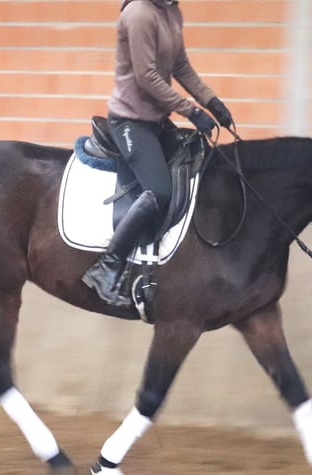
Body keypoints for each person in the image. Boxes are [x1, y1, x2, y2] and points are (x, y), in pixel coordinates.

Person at [81, 0, 234, 308]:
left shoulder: (171, 11)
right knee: (158, 190)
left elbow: (181, 66)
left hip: (156, 120)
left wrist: (211, 100)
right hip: (130, 122)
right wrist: (192, 111)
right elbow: (146, 76)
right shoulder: (138, 14)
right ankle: (107, 268)